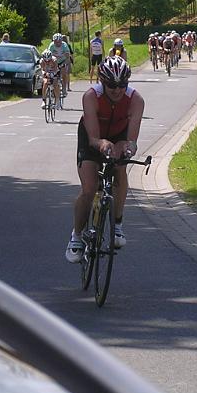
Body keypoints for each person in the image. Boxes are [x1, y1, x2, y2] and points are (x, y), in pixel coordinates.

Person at [65, 55, 145, 263]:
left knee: (120, 171)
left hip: (119, 135)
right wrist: (102, 144)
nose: (117, 90)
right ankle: (76, 236)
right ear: (102, 82)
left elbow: (132, 140)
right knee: (90, 188)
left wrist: (127, 147)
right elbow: (93, 138)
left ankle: (117, 224)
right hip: (91, 137)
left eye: (122, 85)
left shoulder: (136, 100)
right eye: (111, 85)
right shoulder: (91, 96)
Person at [47, 33, 72, 97]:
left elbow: (68, 56)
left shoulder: (64, 45)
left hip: (62, 61)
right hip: (54, 61)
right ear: (53, 41)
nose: (58, 43)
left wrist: (66, 63)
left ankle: (64, 89)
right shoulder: (51, 45)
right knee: (51, 74)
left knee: (64, 74)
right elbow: (48, 56)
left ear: (61, 41)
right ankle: (51, 88)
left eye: (59, 41)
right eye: (56, 41)